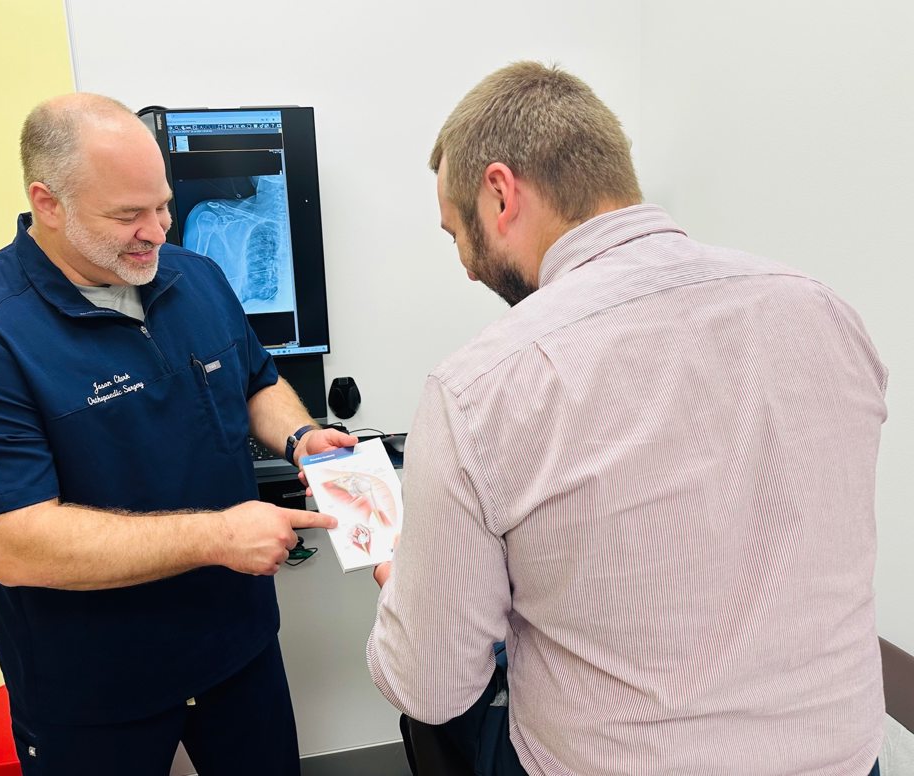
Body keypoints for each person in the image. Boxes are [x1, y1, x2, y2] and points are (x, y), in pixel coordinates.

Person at [366, 62, 886, 776]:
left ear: (499, 194)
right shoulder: (824, 313)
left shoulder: (479, 389)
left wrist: (405, 589)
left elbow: (430, 686)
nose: (464, 266)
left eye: (456, 234)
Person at [0, 93, 356, 775]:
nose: (155, 230)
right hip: (94, 688)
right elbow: (18, 547)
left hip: (237, 650)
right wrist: (218, 536)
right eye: (126, 215)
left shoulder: (193, 276)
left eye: (164, 206)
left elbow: (256, 379)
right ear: (47, 202)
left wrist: (299, 437)